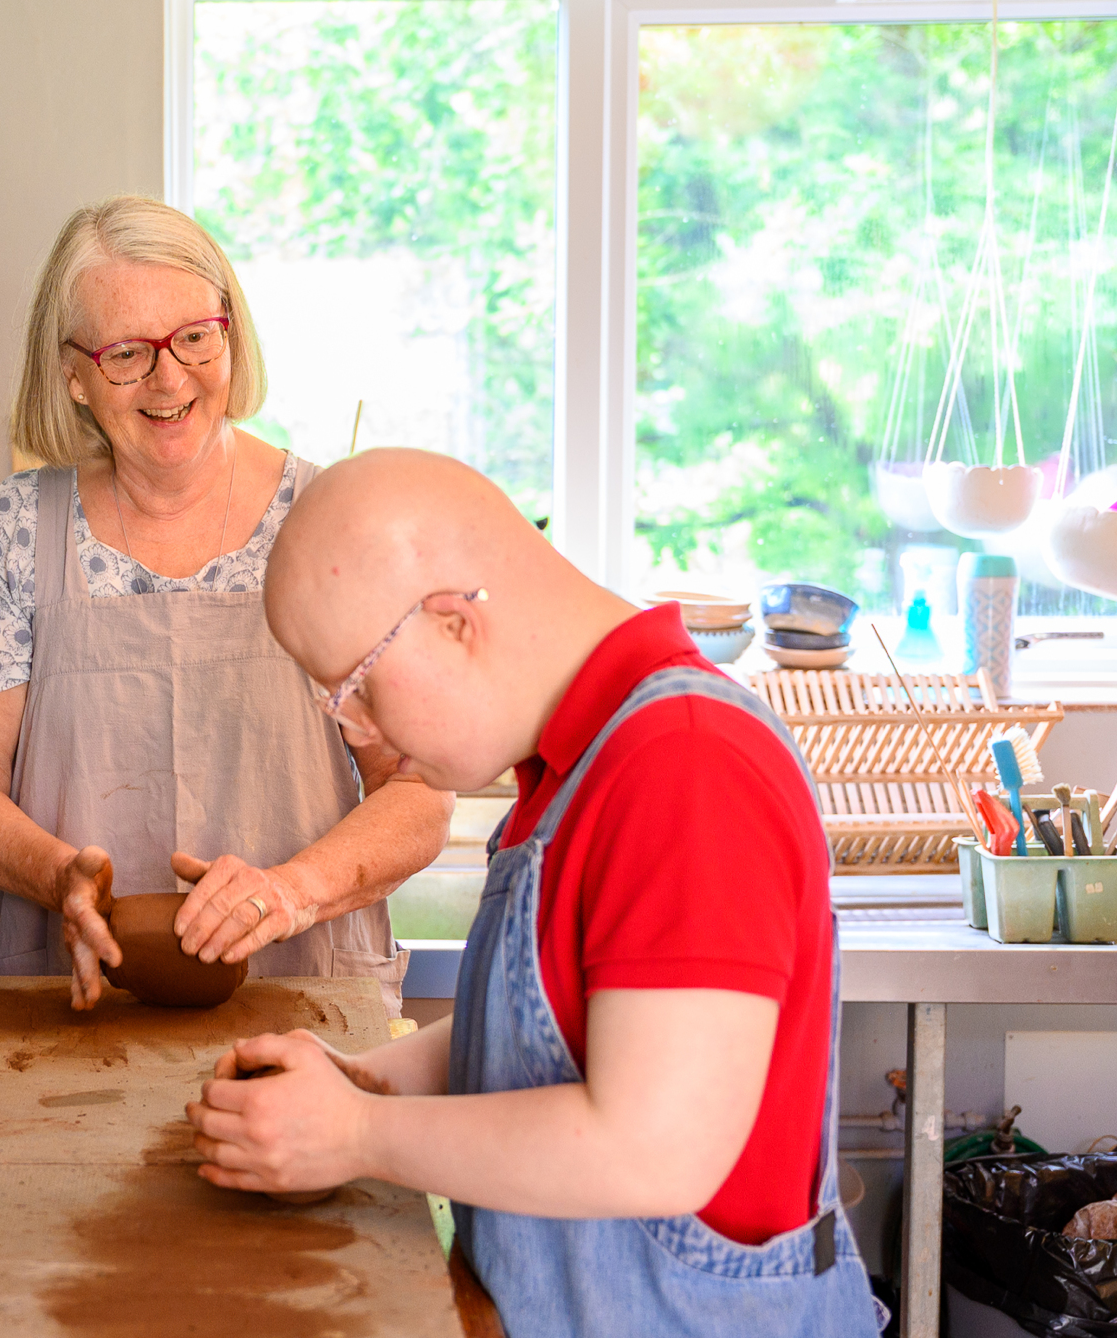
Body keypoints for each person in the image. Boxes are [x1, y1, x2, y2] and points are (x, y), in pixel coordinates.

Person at [188, 448, 878, 1337]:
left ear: (451, 622)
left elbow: (653, 1146)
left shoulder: (686, 763)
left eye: (351, 690)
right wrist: (360, 1082)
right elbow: (549, 1030)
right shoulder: (568, 764)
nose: (354, 727)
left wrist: (358, 1134)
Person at [0, 197, 452, 1012]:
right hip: (77, 1017)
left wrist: (289, 892)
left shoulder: (331, 523)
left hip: (303, 1008)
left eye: (194, 336)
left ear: (230, 333)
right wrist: (57, 875)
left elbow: (418, 794)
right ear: (74, 374)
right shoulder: (18, 529)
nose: (170, 379)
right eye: (127, 352)